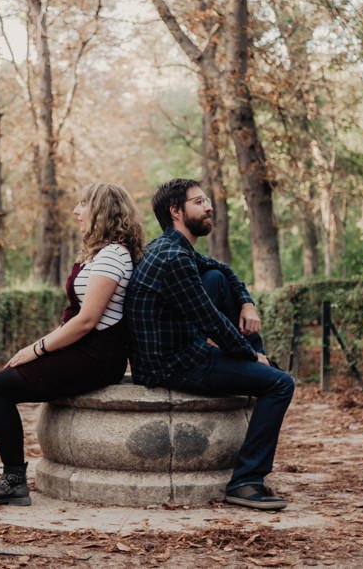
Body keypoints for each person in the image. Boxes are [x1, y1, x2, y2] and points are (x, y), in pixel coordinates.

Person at [0, 182, 145, 506]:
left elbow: (86, 320)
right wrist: (41, 345)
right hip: (87, 349)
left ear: (101, 211)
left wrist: (36, 348)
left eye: (83, 204)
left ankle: (11, 480)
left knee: (0, 386)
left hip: (97, 355)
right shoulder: (101, 253)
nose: (76, 211)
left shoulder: (112, 256)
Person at [126, 178, 295, 511]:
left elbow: (221, 268)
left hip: (180, 350)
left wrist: (246, 301)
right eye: (198, 202)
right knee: (280, 384)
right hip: (171, 365)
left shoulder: (174, 247)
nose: (209, 206)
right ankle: (245, 482)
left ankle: (259, 363)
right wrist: (251, 356)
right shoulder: (174, 258)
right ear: (176, 211)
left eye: (207, 201)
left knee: (217, 278)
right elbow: (211, 322)